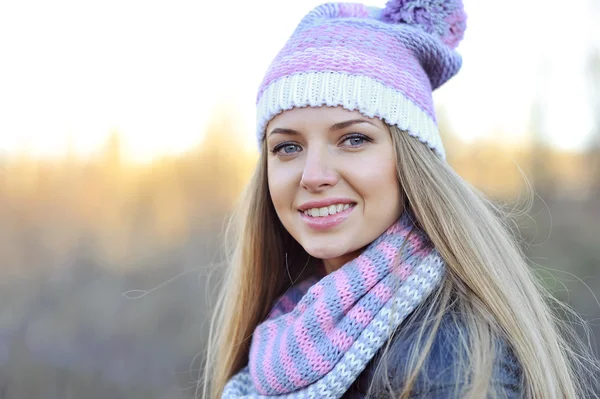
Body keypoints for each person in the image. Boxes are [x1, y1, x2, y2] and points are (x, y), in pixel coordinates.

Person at [201, 1, 599, 398]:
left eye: (353, 139)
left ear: (410, 162)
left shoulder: (446, 358)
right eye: (287, 147)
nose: (313, 175)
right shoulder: (288, 329)